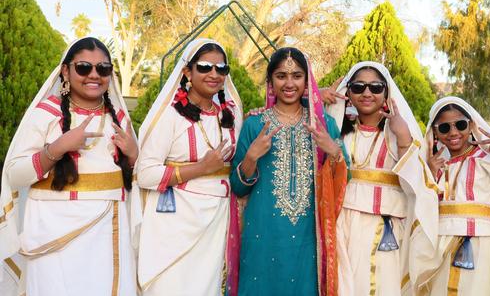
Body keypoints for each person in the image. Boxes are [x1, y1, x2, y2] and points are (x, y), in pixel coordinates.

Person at [0, 37, 139, 295]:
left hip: (107, 235)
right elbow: (15, 174)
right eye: (84, 67)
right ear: (66, 71)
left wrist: (133, 155)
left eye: (103, 69)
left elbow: (134, 181)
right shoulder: (46, 113)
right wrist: (58, 147)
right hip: (51, 234)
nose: (94, 75)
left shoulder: (118, 118)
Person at [230, 47, 349, 296]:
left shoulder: (324, 124)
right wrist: (251, 156)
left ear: (307, 82)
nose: (289, 83)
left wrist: (333, 151)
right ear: (270, 83)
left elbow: (345, 181)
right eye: (281, 75)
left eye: (296, 75)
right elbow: (238, 186)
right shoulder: (254, 124)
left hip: (309, 237)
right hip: (263, 234)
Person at [136, 39, 243, 295]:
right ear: (187, 72)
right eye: (205, 67)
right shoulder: (169, 116)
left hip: (218, 221)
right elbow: (145, 173)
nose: (214, 74)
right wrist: (201, 168)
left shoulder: (231, 115)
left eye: (221, 69)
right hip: (173, 223)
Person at [325, 61, 438, 295]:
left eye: (375, 87)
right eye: (358, 87)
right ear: (348, 93)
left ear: (386, 93)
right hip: (344, 220)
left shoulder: (399, 132)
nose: (367, 93)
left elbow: (416, 184)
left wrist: (404, 137)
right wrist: (317, 96)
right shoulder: (337, 130)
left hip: (388, 225)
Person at [418, 97, 490, 295]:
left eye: (460, 125)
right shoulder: (433, 164)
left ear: (471, 125)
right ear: (435, 132)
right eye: (445, 128)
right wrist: (428, 174)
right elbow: (424, 209)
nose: (454, 132)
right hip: (441, 244)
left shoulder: (488, 159)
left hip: (482, 244)